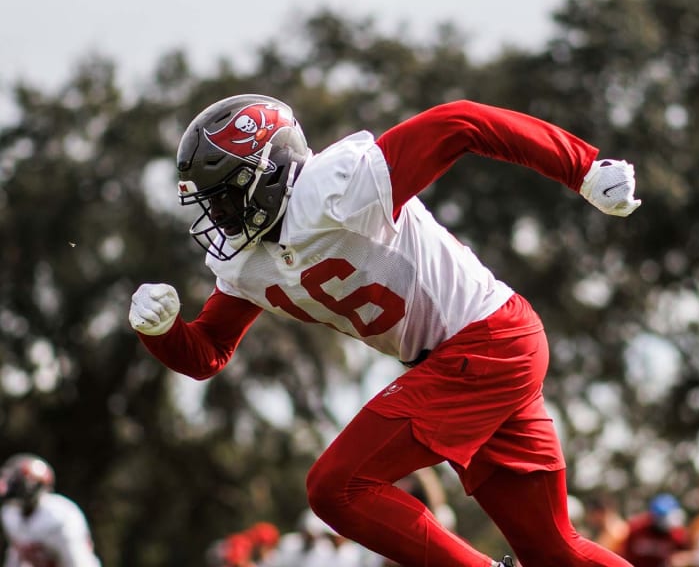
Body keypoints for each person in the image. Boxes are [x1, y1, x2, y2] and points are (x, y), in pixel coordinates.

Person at [128, 95, 641, 567]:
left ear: (269, 172)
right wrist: (162, 330)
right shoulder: (246, 262)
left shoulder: (335, 185)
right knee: (554, 552)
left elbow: (461, 121)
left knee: (337, 487)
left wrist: (580, 167)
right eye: (210, 204)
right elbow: (206, 353)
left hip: (487, 341)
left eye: (226, 197)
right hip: (471, 357)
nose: (218, 217)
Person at [0, 454, 102, 567]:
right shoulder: (10, 513)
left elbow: (78, 562)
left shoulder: (60, 516)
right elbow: (16, 554)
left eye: (17, 483)